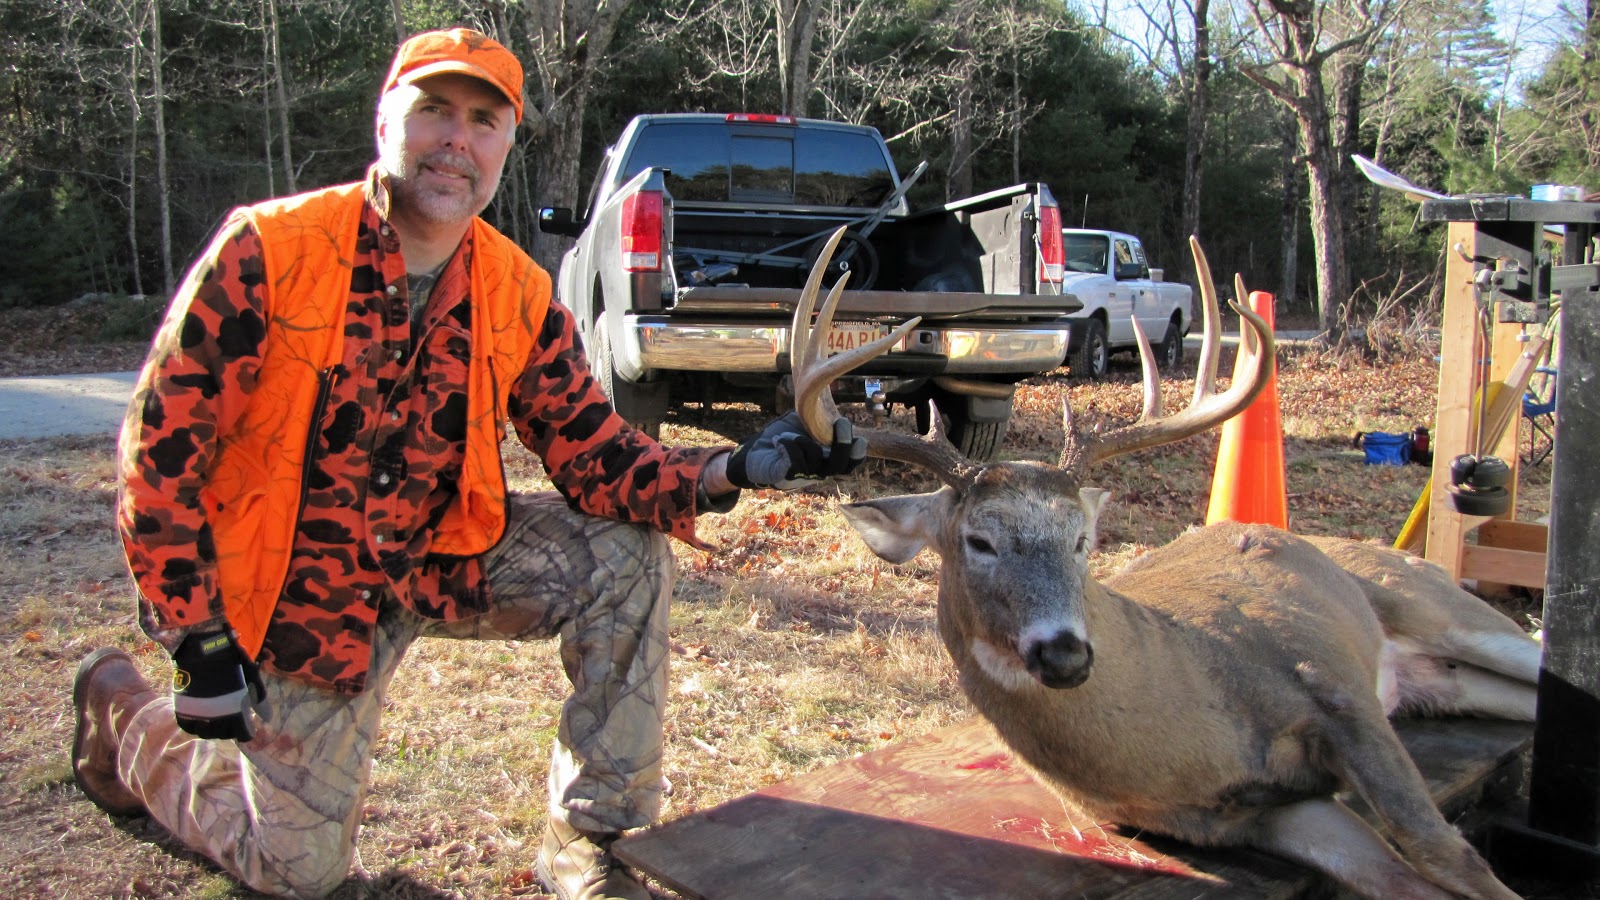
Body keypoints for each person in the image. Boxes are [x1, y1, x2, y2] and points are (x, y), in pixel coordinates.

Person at [70, 27, 863, 900]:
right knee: (295, 874)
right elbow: (160, 455)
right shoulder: (270, 250)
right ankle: (126, 718)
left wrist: (734, 470)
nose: (458, 140)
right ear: (386, 122)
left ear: (505, 147)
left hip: (437, 558)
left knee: (625, 555)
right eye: (434, 111)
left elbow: (596, 455)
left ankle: (591, 842)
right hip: (298, 597)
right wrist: (196, 636)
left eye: (484, 121)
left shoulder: (517, 290)